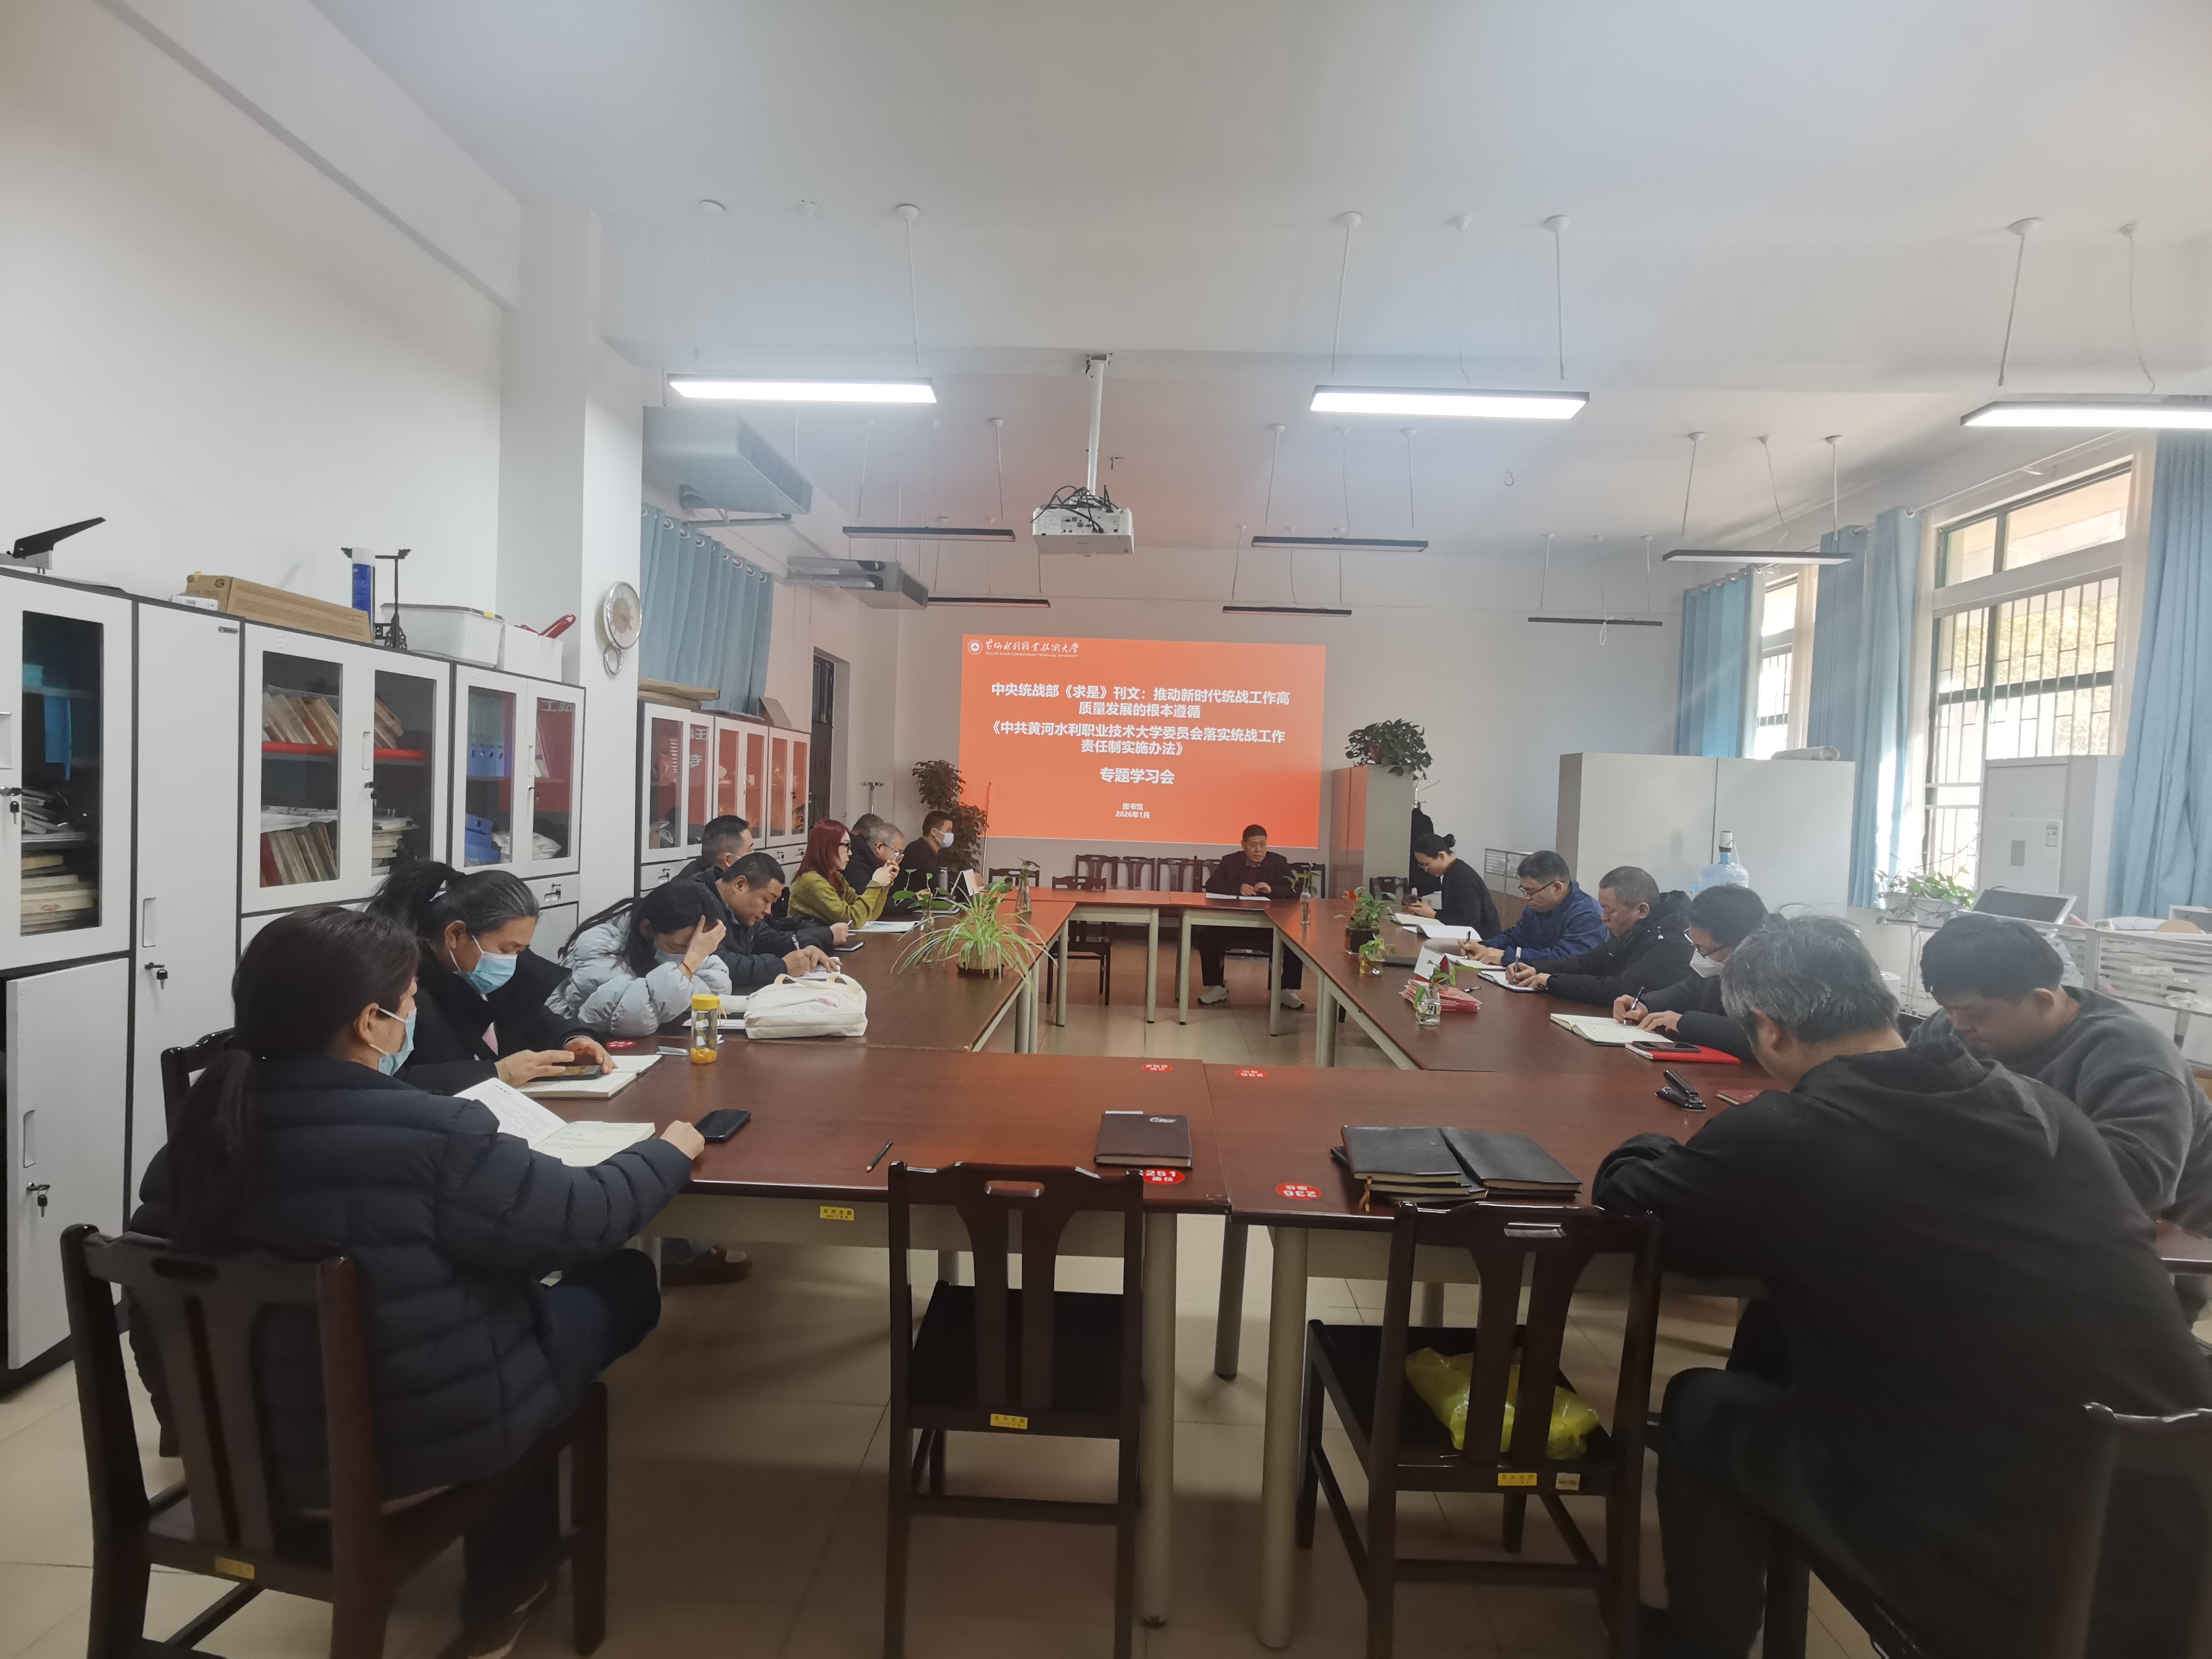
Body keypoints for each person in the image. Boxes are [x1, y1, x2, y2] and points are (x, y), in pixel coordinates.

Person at [1594, 917, 2212, 1659]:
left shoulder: (1792, 1135)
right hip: (2175, 1543)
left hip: (2005, 1567)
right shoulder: (2047, 1112)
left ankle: (1699, 1645)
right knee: (1788, 1334)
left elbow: (1639, 1200)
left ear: (1770, 1029)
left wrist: (1647, 1145)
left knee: (1702, 1405)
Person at [128, 907, 703, 1652]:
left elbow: (154, 1317)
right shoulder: (434, 1132)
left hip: (235, 1464)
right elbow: (584, 1219)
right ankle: (505, 1586)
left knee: (463, 1290)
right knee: (618, 1282)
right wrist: (669, 1153)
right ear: (371, 1023)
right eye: (408, 1003)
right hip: (406, 1457)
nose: (413, 1018)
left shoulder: (197, 1140)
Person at [1910, 913, 2212, 1231]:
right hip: (2020, 1211)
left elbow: (2142, 1182)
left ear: (2043, 1002)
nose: (1958, 1024)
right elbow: (1905, 1102)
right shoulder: (1948, 1031)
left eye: (1973, 1013)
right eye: (1948, 1008)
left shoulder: (2129, 1054)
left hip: (2169, 1232)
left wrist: (1980, 1152)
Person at [364, 861, 613, 1094]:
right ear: (455, 934)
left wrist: (573, 1040)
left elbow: (533, 1018)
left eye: (521, 951)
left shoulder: (488, 972)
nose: (512, 962)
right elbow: (383, 1080)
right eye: (506, 950)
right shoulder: (404, 992)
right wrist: (496, 1073)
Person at [548, 880, 732, 1037]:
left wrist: (689, 964)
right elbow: (628, 1017)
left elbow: (717, 986)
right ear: (647, 929)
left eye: (693, 948)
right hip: (564, 1040)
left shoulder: (678, 940)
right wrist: (691, 963)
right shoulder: (598, 943)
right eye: (679, 947)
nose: (685, 954)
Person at [1611, 884, 1768, 1060]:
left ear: (1742, 944)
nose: (1698, 956)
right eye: (1694, 945)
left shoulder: (1776, 972)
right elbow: (1687, 991)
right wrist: (1644, 1005)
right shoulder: (1719, 961)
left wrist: (1684, 1023)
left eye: (1703, 949)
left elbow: (1760, 1034)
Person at [1506, 864, 1690, 1004]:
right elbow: (1585, 963)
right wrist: (1537, 969)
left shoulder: (1672, 942)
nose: (1603, 917)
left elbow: (1619, 989)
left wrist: (1552, 982)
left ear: (1642, 910)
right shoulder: (1633, 929)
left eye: (1610, 910)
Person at [1197, 824, 1306, 1010]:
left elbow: (1295, 890)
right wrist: (1237, 888)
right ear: (1243, 845)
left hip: (1269, 927)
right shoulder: (1230, 862)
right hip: (1234, 925)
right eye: (1253, 845)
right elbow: (1212, 885)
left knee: (1295, 940)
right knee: (1206, 936)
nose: (1259, 850)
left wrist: (1272, 890)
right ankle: (1216, 987)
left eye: (1263, 845)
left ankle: (1287, 990)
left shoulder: (1279, 862)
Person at [705, 851, 839, 990]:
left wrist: (806, 946)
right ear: (740, 885)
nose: (768, 911)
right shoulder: (699, 900)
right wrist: (781, 967)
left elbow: (771, 939)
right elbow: (717, 963)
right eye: (766, 900)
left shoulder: (743, 913)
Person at [1467, 850, 1606, 966]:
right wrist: (1483, 946)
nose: (1527, 897)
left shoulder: (1588, 915)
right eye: (1525, 890)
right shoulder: (1537, 907)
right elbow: (1516, 936)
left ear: (1557, 888)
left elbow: (1564, 959)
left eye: (1531, 891)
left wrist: (1507, 956)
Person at [787, 818, 894, 926]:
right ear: (828, 847)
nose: (850, 853)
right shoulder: (812, 881)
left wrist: (884, 884)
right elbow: (852, 921)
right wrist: (876, 885)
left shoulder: (836, 877)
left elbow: (868, 916)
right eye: (847, 846)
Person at [1401, 830, 1500, 936]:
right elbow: (1454, 915)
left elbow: (1469, 924)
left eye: (1426, 864)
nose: (1426, 869)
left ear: (1441, 856)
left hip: (1483, 941)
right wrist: (1424, 911)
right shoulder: (1451, 872)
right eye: (1422, 865)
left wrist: (1434, 914)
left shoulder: (1463, 877)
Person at [674, 814, 752, 883]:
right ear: (728, 860)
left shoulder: (714, 875)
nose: (754, 854)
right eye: (749, 850)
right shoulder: (693, 889)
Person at [848, 818, 907, 893]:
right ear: (879, 848)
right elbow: (867, 898)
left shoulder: (881, 864)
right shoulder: (856, 865)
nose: (899, 857)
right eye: (897, 853)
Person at [902, 810, 955, 890]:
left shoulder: (933, 852)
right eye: (948, 830)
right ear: (934, 832)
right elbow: (935, 880)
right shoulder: (917, 850)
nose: (951, 834)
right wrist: (966, 879)